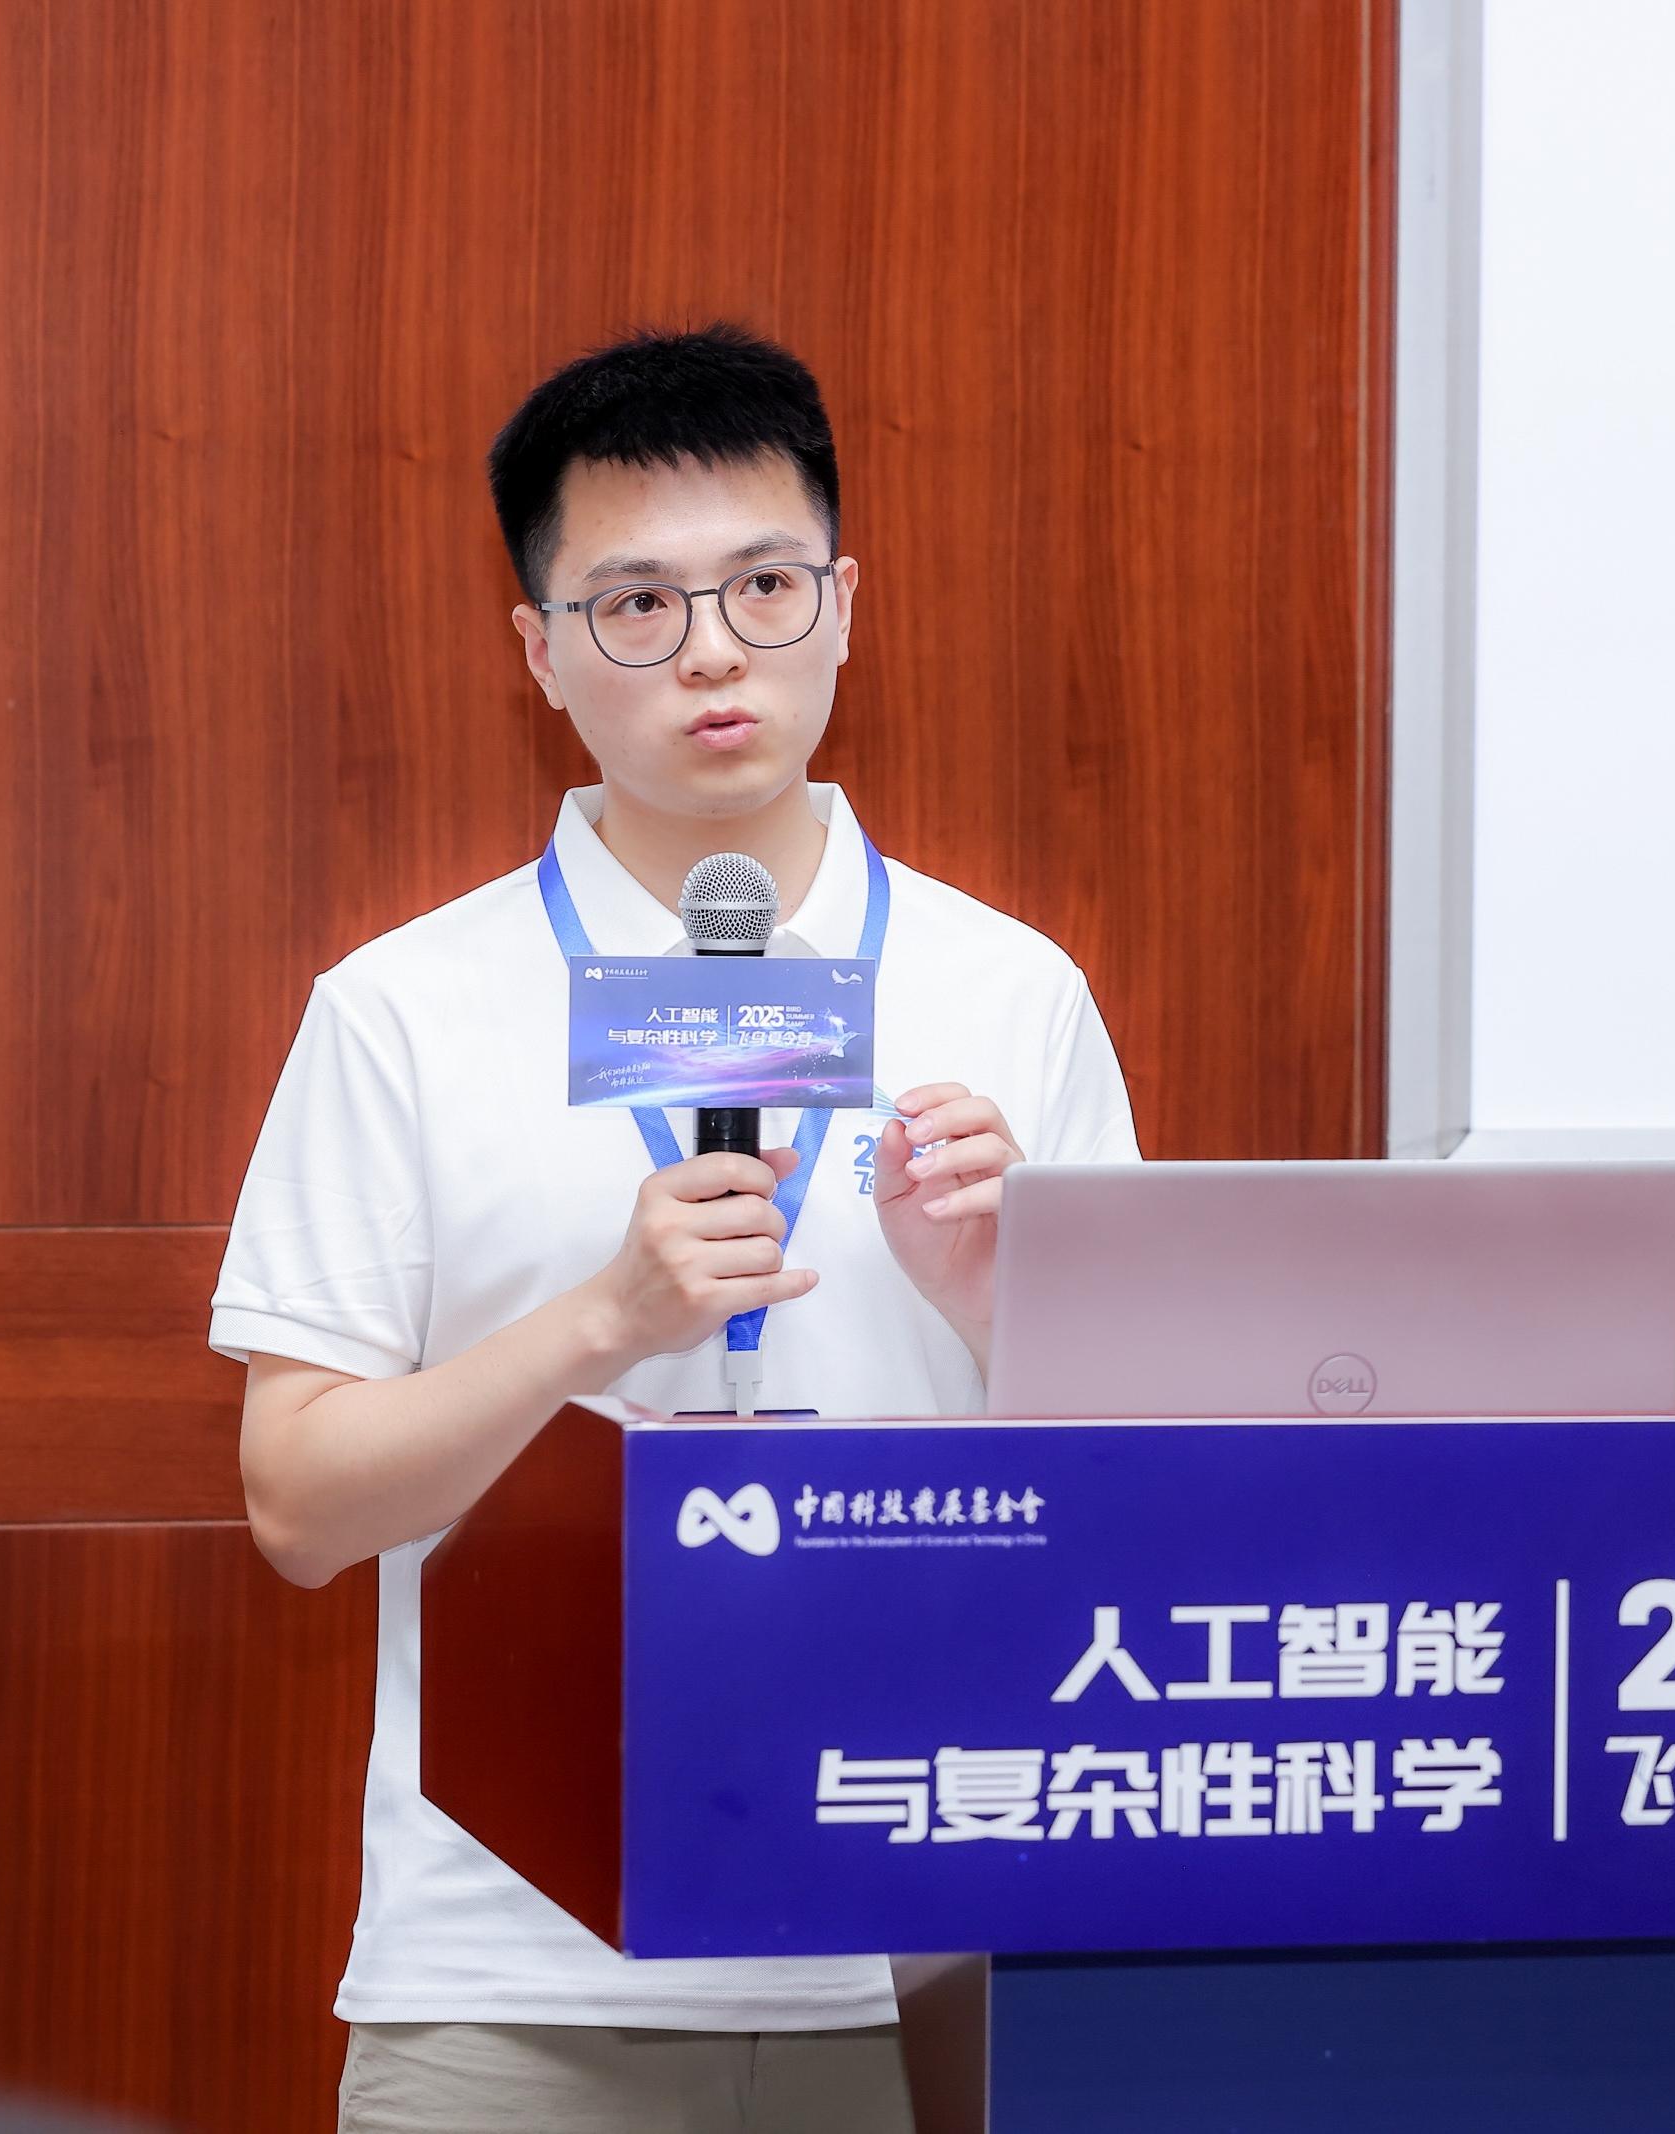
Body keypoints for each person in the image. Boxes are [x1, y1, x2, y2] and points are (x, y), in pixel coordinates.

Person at [210, 325, 1141, 2132]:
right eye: (636, 603)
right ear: (541, 651)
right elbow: (298, 1507)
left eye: (765, 585)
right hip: (517, 1975)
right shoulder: (402, 1009)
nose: (713, 649)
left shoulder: (1011, 990)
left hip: (929, 1939)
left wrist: (1000, 1307)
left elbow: (1146, 1489)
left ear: (844, 608)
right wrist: (601, 1320)